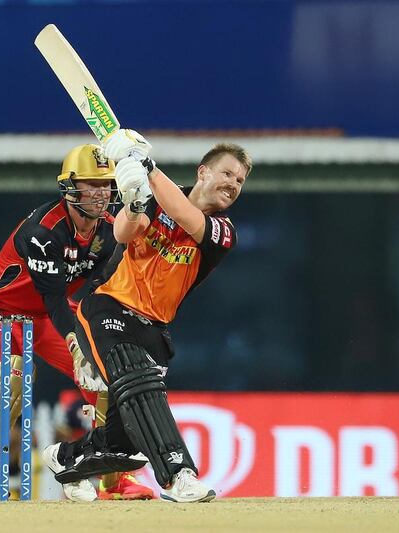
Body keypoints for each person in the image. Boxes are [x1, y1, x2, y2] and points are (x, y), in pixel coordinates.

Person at [43, 130, 251, 503]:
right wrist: (135, 205)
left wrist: (147, 168)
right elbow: (123, 233)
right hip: (108, 306)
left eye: (240, 180)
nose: (233, 184)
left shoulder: (223, 231)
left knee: (127, 444)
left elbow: (185, 216)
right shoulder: (156, 199)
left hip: (154, 328)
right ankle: (178, 475)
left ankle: (64, 458)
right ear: (203, 172)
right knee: (139, 383)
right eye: (227, 174)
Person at [0, 144, 154, 502]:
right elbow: (56, 298)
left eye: (106, 185)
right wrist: (76, 345)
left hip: (45, 317)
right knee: (11, 375)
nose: (100, 194)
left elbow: (91, 293)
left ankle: (114, 478)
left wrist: (93, 347)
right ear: (70, 188)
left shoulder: (108, 232)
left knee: (108, 375)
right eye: (91, 185)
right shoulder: (42, 232)